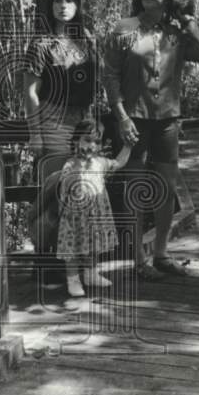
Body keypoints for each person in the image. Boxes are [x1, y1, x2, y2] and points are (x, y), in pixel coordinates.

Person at [102, 0, 199, 281]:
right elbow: (109, 76)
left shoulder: (175, 32)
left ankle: (161, 253)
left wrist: (187, 16)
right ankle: (138, 260)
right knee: (135, 190)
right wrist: (120, 116)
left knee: (165, 188)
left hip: (167, 120)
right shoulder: (124, 28)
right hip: (131, 120)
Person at [22, 0, 97, 256]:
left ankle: (75, 264)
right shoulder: (41, 44)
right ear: (49, 5)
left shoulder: (86, 41)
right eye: (57, 0)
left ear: (76, 5)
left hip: (83, 124)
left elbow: (94, 85)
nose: (63, 5)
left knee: (83, 193)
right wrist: (35, 134)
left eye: (68, 0)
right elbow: (30, 93)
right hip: (53, 122)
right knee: (55, 193)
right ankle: (45, 261)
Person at [51, 119, 131, 297]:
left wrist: (128, 146)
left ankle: (91, 274)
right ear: (75, 141)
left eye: (96, 142)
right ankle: (73, 279)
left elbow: (118, 163)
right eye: (87, 140)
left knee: (93, 245)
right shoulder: (71, 165)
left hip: (96, 215)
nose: (92, 145)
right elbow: (65, 189)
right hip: (75, 217)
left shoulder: (100, 163)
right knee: (72, 249)